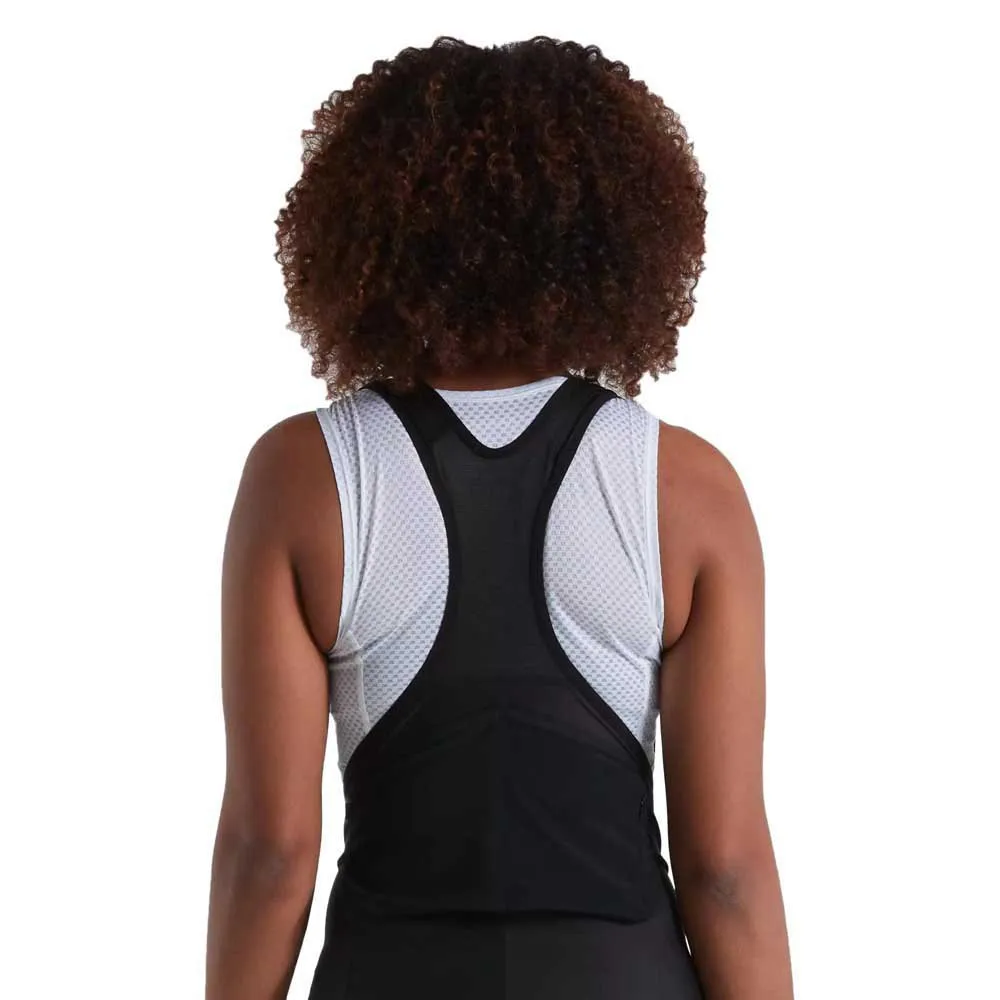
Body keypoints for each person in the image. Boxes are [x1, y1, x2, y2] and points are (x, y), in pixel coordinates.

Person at [205, 35, 794, 1000]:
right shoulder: (690, 488)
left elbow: (271, 854)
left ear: (370, 231)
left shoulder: (304, 475)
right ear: (616, 238)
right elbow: (725, 869)